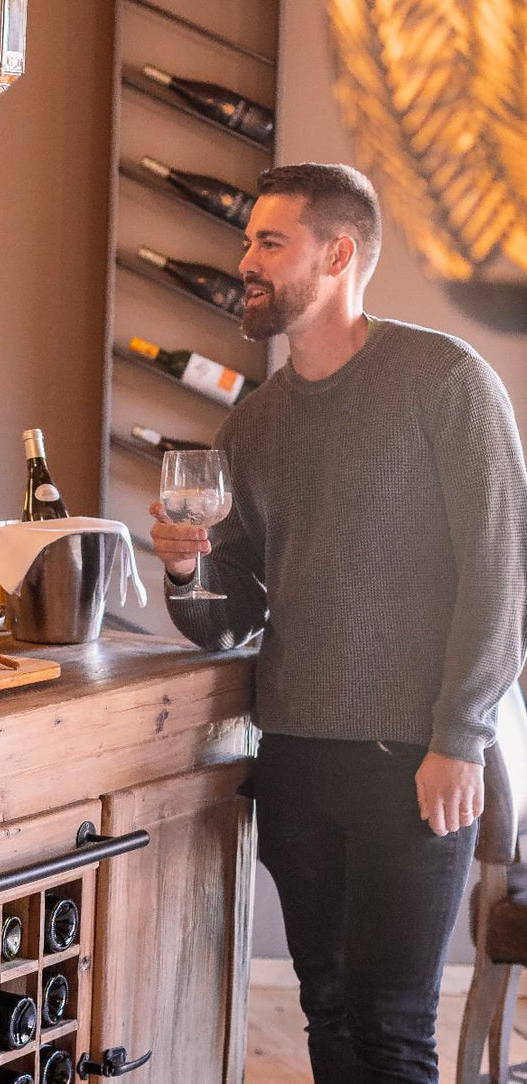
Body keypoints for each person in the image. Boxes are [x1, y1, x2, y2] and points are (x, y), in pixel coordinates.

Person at [151, 162, 527, 1083]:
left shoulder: (444, 382)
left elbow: (500, 570)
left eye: (268, 243)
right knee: (326, 1012)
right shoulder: (253, 426)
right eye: (247, 240)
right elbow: (228, 616)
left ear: (339, 254)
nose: (244, 260)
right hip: (295, 757)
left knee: (390, 1024)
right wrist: (185, 566)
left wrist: (459, 737)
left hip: (412, 759)